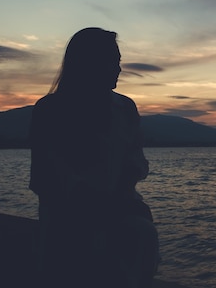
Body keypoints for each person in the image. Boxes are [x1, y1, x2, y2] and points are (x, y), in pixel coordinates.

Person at [29, 27, 158, 288]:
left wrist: (119, 199)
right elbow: (46, 176)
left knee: (137, 236)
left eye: (119, 61)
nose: (119, 69)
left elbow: (135, 163)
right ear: (88, 62)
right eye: (113, 61)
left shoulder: (125, 108)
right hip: (66, 221)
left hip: (120, 209)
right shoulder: (50, 110)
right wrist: (91, 204)